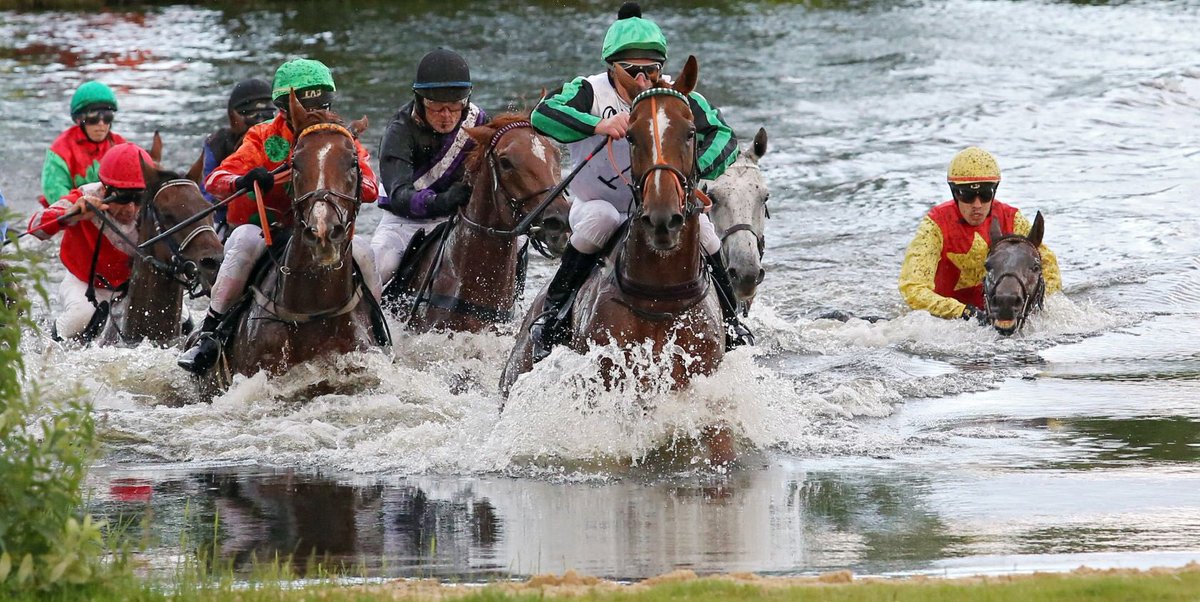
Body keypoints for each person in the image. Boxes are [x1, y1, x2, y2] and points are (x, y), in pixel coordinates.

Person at [528, 1, 748, 361]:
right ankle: (554, 312)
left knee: (706, 232)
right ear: (612, 67)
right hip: (600, 202)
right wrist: (597, 124)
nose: (644, 77)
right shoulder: (589, 90)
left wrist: (691, 171)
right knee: (600, 221)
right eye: (633, 69)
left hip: (663, 201)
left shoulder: (676, 97)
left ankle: (732, 322)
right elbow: (543, 115)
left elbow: (724, 137)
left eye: (653, 68)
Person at [178, 58, 381, 373]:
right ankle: (210, 334)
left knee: (366, 252)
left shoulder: (340, 137)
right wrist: (244, 180)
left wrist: (350, 180)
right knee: (242, 244)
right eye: (304, 106)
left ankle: (378, 336)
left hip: (322, 226)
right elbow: (215, 181)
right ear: (284, 107)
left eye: (320, 103)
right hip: (267, 230)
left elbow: (370, 187)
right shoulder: (261, 135)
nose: (313, 112)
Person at [899, 146, 1062, 321]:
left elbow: (1050, 271)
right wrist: (964, 312)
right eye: (968, 195)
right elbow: (913, 288)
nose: (977, 205)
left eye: (985, 194)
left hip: (1004, 311)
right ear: (955, 193)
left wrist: (1031, 306)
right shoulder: (934, 226)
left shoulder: (1013, 219)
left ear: (994, 192)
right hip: (946, 321)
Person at [373, 48, 488, 288]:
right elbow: (399, 195)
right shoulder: (399, 130)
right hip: (403, 224)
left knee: (515, 244)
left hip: (459, 222)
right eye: (436, 107)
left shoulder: (478, 122)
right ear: (421, 101)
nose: (446, 116)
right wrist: (441, 201)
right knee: (378, 267)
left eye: (454, 107)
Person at [28, 143, 153, 341]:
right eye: (124, 198)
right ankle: (48, 347)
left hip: (134, 287)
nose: (131, 208)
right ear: (104, 189)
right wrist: (72, 215)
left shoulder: (156, 205)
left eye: (139, 198)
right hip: (85, 284)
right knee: (82, 315)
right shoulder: (84, 197)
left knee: (182, 317)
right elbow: (35, 226)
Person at [188, 78, 277, 235]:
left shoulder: (282, 138)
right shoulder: (216, 144)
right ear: (231, 115)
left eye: (267, 112)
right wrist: (237, 187)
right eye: (249, 113)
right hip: (226, 218)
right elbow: (207, 193)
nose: (261, 119)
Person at [40, 81, 129, 208]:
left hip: (111, 210)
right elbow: (56, 194)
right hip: (73, 213)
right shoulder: (60, 151)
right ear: (78, 119)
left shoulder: (121, 146)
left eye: (107, 116)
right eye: (93, 117)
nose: (101, 123)